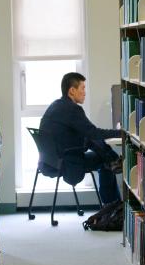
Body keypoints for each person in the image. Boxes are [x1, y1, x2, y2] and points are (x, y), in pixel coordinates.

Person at [39, 72, 122, 204]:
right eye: (82, 88)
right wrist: (121, 133)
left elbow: (88, 134)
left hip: (49, 161)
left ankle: (113, 162)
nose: (85, 92)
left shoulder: (56, 105)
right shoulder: (72, 109)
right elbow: (94, 132)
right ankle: (112, 206)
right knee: (103, 161)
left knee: (90, 140)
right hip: (67, 163)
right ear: (72, 90)